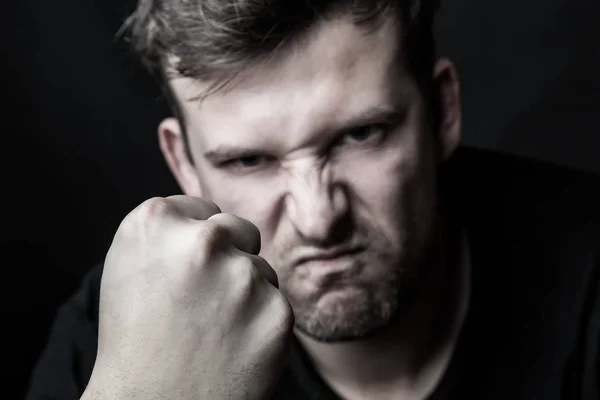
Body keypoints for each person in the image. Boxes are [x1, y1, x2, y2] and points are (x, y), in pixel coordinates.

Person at [26, 0, 599, 399]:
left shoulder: (587, 269)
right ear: (183, 163)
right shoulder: (122, 341)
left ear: (442, 111)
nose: (319, 218)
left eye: (360, 135)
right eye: (248, 161)